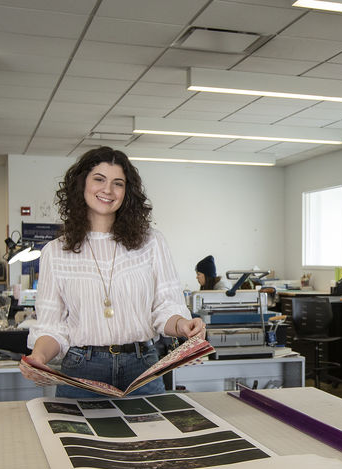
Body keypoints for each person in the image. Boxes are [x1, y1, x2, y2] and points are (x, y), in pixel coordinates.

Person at [20, 146, 204, 398]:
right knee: (79, 439)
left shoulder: (152, 243)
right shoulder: (55, 251)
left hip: (142, 367)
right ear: (81, 184)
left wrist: (183, 325)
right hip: (82, 369)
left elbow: (166, 309)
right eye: (99, 179)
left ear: (126, 192)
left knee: (154, 438)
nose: (107, 190)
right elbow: (52, 327)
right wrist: (38, 357)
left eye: (118, 183)